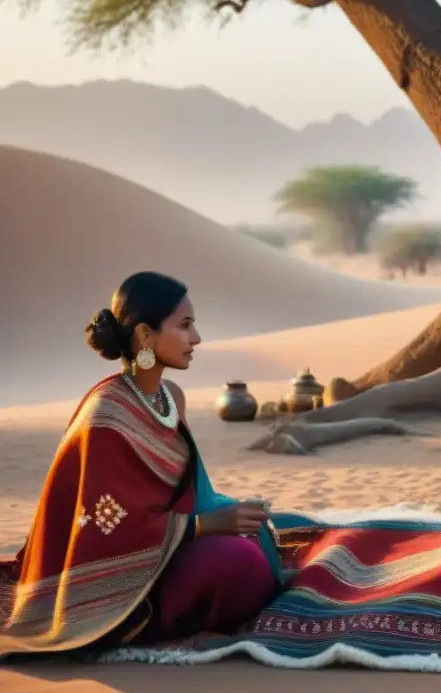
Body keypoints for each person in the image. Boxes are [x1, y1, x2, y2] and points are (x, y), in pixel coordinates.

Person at [0, 272, 280, 658]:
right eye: (185, 326)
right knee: (238, 564)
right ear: (146, 336)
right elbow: (105, 524)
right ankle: (153, 624)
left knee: (260, 533)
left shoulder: (171, 397)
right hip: (126, 576)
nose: (196, 338)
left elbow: (185, 491)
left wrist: (227, 513)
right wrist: (203, 526)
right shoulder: (107, 415)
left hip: (166, 550)